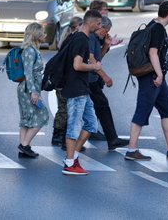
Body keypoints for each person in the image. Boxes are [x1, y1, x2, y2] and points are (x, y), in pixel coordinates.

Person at [125, 1, 168, 161]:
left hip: (156, 77)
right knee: (142, 111)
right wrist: (159, 74)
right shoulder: (158, 29)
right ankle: (131, 149)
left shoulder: (153, 24)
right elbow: (153, 52)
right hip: (152, 77)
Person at [61, 10, 102, 175]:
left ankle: (73, 157)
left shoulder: (83, 38)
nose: (99, 27)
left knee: (91, 124)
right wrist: (94, 67)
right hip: (75, 89)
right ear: (90, 22)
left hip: (83, 89)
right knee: (74, 127)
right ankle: (69, 164)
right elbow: (77, 65)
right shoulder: (81, 40)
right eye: (98, 24)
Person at [88, 16, 129, 150]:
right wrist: (105, 77)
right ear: (99, 26)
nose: (106, 33)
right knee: (96, 106)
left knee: (100, 105)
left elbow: (99, 58)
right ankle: (111, 139)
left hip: (91, 79)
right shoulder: (90, 38)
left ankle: (112, 139)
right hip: (86, 80)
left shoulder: (96, 39)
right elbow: (92, 60)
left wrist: (106, 44)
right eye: (105, 30)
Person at [17, 23, 49, 158]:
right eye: (42, 33)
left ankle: (23, 148)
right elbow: (28, 73)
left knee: (27, 119)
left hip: (28, 88)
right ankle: (24, 145)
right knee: (43, 115)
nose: (44, 35)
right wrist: (33, 92)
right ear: (36, 35)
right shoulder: (30, 51)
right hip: (28, 89)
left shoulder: (32, 49)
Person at [51, 16, 83, 149]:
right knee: (67, 109)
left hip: (60, 80)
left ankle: (57, 136)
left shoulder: (65, 40)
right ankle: (64, 138)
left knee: (62, 109)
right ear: (77, 27)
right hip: (65, 81)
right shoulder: (73, 41)